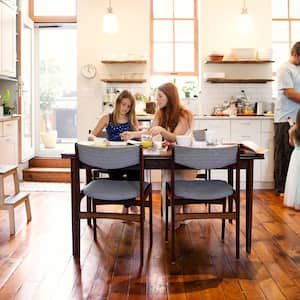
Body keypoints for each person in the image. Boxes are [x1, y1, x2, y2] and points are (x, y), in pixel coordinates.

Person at [121, 82, 195, 225]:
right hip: (169, 157)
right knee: (170, 188)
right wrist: (132, 134)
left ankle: (182, 208)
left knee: (179, 186)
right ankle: (179, 209)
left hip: (187, 158)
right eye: (157, 96)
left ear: (170, 97)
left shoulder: (185, 114)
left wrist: (161, 130)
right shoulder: (160, 112)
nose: (157, 99)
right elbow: (150, 130)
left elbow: (175, 137)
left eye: (160, 96)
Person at [274, 41, 300, 195]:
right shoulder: (284, 68)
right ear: (295, 54)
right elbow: (289, 93)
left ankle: (294, 189)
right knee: (284, 154)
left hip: (298, 118)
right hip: (286, 117)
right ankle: (281, 188)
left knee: (296, 154)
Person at [283, 108, 300, 209]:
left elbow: (291, 143)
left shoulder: (293, 130)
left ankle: (295, 201)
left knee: (295, 178)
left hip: (296, 156)